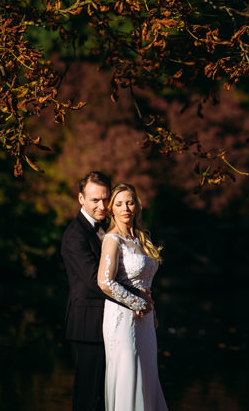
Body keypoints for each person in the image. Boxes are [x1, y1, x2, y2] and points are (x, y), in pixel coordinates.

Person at [98, 182, 169, 411]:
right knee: (129, 375)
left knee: (147, 376)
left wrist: (152, 311)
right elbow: (104, 282)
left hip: (145, 320)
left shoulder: (140, 238)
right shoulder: (112, 239)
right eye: (118, 204)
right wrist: (136, 303)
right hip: (122, 318)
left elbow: (146, 284)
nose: (125, 208)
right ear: (111, 209)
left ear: (136, 205)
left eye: (129, 202)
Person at [61, 171, 112, 411]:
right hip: (87, 325)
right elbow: (94, 280)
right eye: (95, 200)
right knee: (87, 398)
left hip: (108, 323)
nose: (102, 206)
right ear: (81, 199)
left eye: (105, 199)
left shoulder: (106, 229)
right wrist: (134, 297)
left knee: (104, 397)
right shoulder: (75, 235)